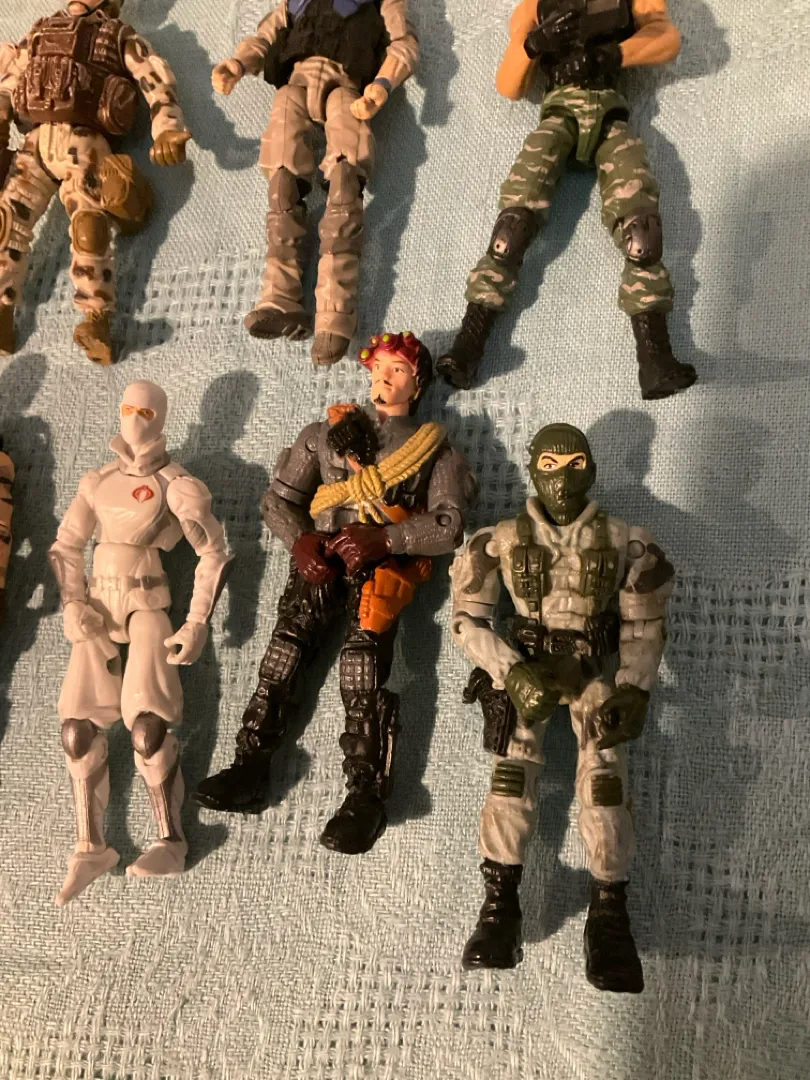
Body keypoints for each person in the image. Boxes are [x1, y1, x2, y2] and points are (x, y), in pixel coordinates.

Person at [196, 331, 477, 854]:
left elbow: (448, 525)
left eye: (397, 370)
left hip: (379, 572)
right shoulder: (326, 436)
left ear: (417, 384)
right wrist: (300, 540)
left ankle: (365, 796)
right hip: (319, 563)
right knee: (281, 658)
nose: (384, 378)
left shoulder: (432, 452)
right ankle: (250, 764)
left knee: (361, 671)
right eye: (379, 368)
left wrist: (386, 539)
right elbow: (279, 500)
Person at [450, 422, 673, 992]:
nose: (562, 478)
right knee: (510, 777)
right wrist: (509, 670)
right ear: (532, 470)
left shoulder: (625, 541)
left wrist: (635, 687)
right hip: (528, 671)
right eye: (549, 464)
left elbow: (644, 623)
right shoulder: (498, 541)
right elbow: (468, 620)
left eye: (575, 464)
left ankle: (609, 915)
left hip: (594, 673)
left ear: (591, 470)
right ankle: (499, 908)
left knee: (604, 782)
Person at [438, 0, 697, 400]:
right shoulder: (535, 5)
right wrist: (534, 45)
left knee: (642, 234)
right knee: (511, 230)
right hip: (559, 115)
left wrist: (610, 55)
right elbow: (509, 85)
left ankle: (655, 359)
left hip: (610, 113)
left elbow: (666, 39)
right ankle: (468, 345)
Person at [49, 380, 232, 905]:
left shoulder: (177, 484)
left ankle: (170, 840)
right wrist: (72, 602)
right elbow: (66, 546)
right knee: (76, 732)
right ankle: (91, 847)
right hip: (98, 608)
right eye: (127, 408)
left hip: (149, 604)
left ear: (162, 417)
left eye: (145, 411)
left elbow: (214, 553)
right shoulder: (98, 481)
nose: (133, 419)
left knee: (149, 729)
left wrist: (196, 621)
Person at [212, 1, 419, 366]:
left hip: (345, 88)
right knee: (282, 187)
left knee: (344, 187)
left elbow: (404, 44)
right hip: (296, 84)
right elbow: (266, 35)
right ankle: (279, 297)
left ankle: (335, 312)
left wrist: (382, 84)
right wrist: (240, 63)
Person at [0, 1, 191, 365]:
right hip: (36, 142)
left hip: (84, 143)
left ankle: (96, 319)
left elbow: (153, 77)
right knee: (6, 221)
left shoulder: (117, 35)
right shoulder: (39, 31)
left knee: (89, 227)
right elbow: (10, 80)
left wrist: (167, 126)